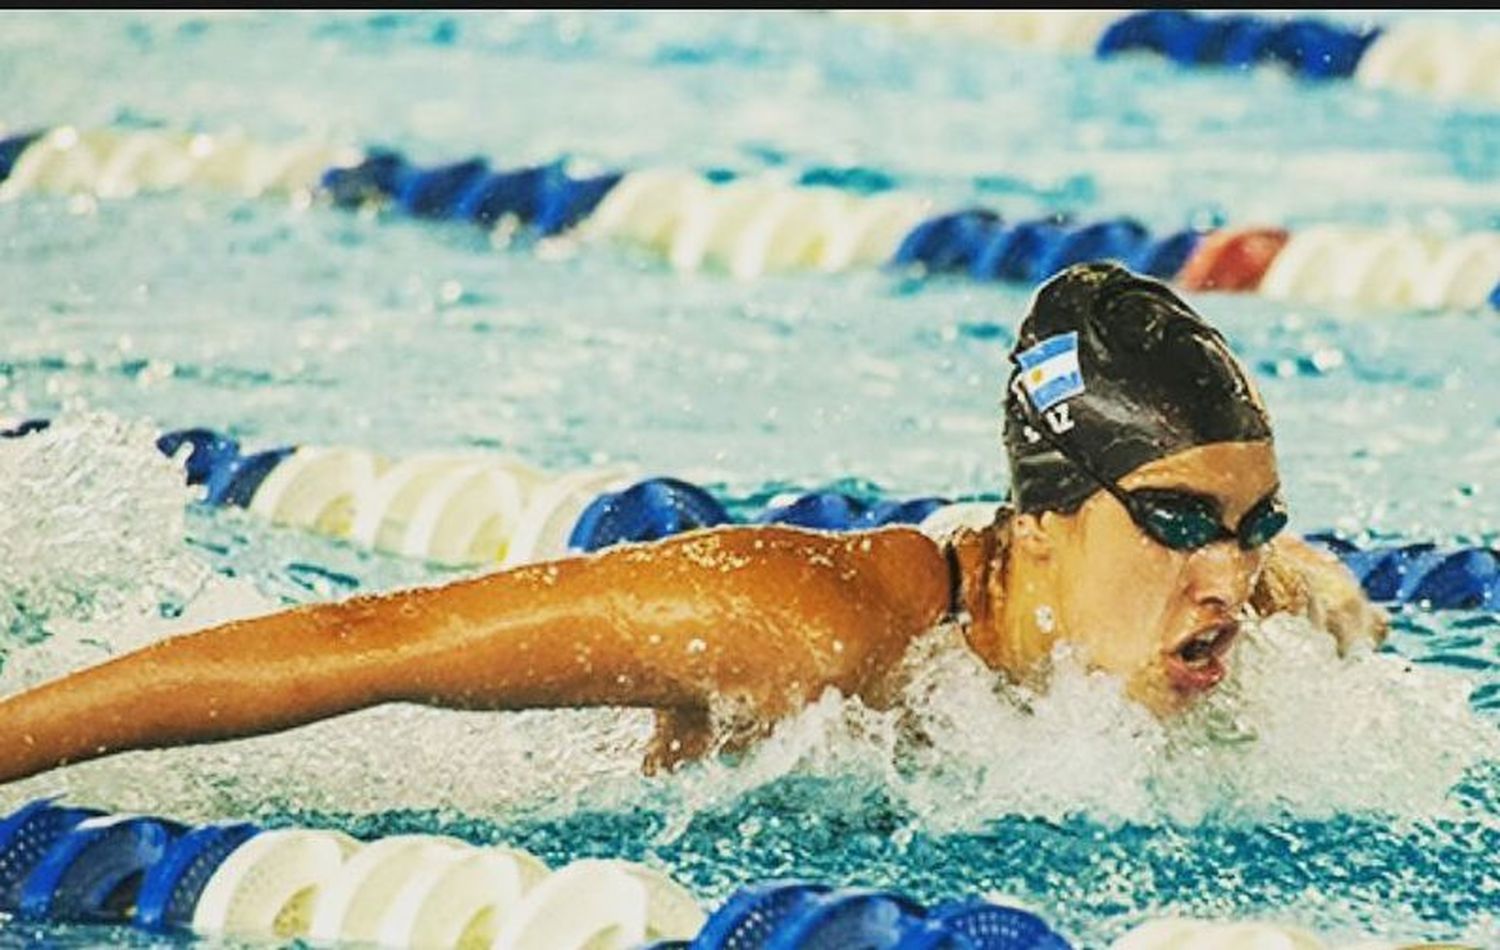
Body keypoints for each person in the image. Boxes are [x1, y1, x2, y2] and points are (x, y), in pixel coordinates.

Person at [0, 262, 1386, 785]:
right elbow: (370, 640)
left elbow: (1273, 577)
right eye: (1181, 519)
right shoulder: (797, 625)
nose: (1229, 572)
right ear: (1044, 514)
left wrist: (1292, 569)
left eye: (1257, 522)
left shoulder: (1205, 598)